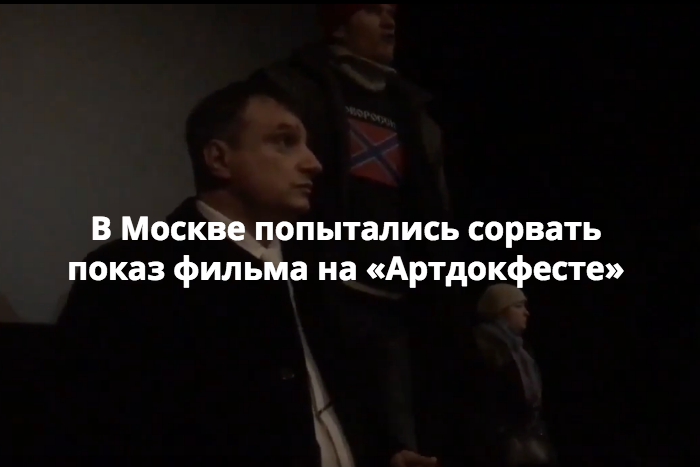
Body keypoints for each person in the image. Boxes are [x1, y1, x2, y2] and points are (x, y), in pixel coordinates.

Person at [56, 80, 435, 466]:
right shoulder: (129, 275)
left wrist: (385, 453)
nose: (313, 163)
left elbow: (346, 398)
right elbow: (95, 429)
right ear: (219, 159)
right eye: (284, 142)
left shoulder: (320, 271)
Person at [248, 4, 460, 460]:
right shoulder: (293, 89)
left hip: (393, 294)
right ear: (339, 22)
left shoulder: (412, 110)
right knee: (319, 416)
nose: (389, 21)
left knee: (397, 437)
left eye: (392, 11)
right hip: (318, 286)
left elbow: (432, 204)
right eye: (371, 9)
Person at [464, 283, 557, 466]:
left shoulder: (522, 350)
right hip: (499, 447)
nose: (526, 313)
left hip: (528, 439)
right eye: (518, 306)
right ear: (500, 311)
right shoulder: (483, 348)